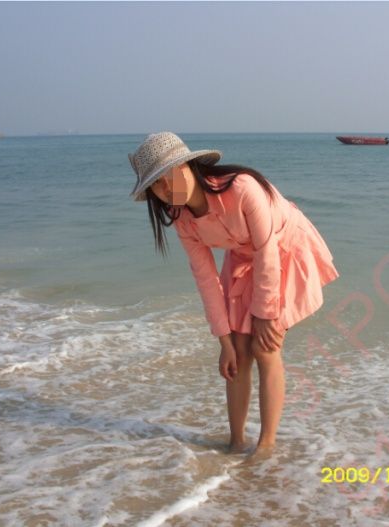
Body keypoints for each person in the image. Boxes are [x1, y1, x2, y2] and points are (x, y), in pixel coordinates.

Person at [128, 132, 339, 454]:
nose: (166, 188)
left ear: (189, 166)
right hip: (243, 258)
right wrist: (223, 341)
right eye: (156, 184)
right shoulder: (183, 220)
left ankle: (266, 445)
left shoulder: (242, 187)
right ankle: (236, 442)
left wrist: (266, 314)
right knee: (238, 355)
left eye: (171, 174)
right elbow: (206, 279)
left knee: (265, 346)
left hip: (283, 248)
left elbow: (267, 251)